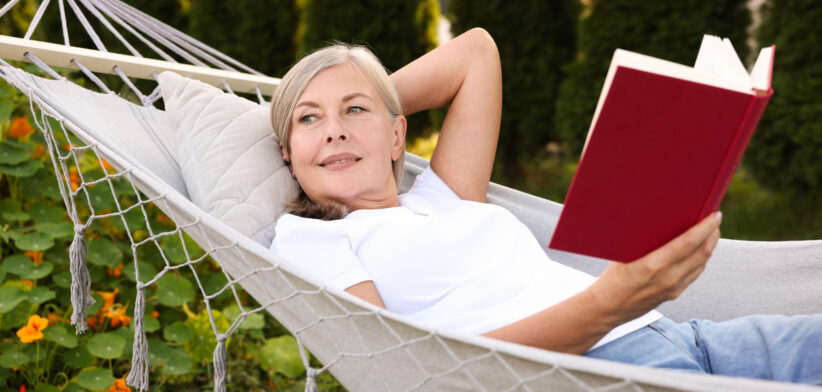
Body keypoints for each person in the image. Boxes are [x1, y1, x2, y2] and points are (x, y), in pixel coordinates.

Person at [268, 28, 822, 384]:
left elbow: (477, 51)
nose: (335, 132)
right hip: (600, 372)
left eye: (353, 112)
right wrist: (608, 302)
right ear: (287, 155)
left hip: (690, 337)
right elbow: (403, 367)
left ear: (398, 139)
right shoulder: (312, 239)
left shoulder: (443, 198)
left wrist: (367, 100)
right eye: (309, 120)